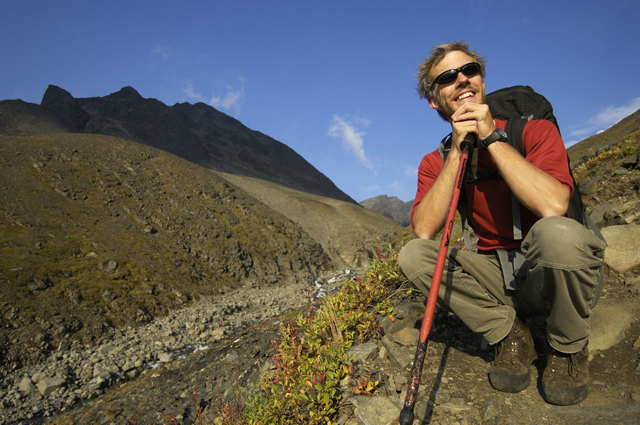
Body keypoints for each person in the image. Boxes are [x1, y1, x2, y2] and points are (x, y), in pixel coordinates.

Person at [398, 40, 606, 406]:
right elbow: (424, 230)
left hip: (551, 271)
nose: (461, 79)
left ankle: (568, 347)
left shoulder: (532, 131)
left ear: (482, 80)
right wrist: (457, 153)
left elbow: (554, 204)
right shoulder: (435, 161)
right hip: (496, 278)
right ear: (434, 100)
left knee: (558, 234)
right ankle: (509, 333)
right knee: (414, 256)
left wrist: (492, 137)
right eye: (448, 77)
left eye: (470, 70)